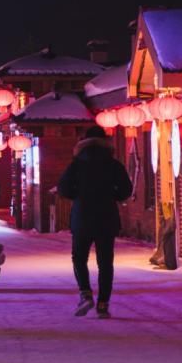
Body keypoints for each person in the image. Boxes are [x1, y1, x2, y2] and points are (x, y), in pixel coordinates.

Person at [58, 126, 132, 319]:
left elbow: (64, 188)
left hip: (82, 217)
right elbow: (126, 190)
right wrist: (110, 196)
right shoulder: (113, 164)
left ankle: (85, 293)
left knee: (79, 258)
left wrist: (79, 196)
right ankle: (103, 304)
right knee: (105, 263)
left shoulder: (76, 164)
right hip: (107, 217)